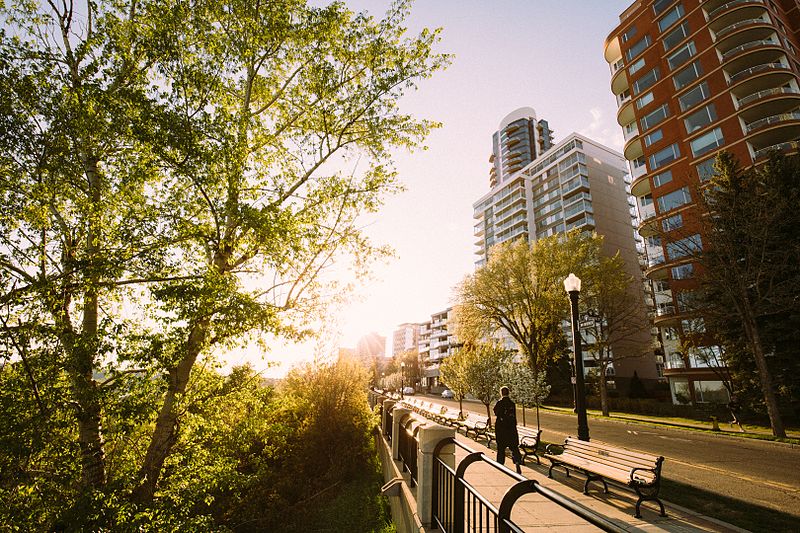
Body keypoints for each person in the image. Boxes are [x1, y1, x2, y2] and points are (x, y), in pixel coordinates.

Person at [493, 386, 522, 474]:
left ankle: (500, 464)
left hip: (502, 430)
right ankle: (517, 461)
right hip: (511, 430)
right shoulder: (512, 403)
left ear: (501, 393)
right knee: (514, 448)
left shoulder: (500, 403)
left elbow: (496, 412)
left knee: (501, 448)